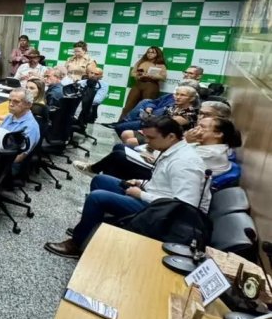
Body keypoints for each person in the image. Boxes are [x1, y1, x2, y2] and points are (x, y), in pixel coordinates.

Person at [45, 116, 211, 259]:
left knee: (97, 197)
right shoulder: (170, 149)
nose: (147, 142)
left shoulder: (185, 163)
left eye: (151, 138)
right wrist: (140, 183)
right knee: (101, 180)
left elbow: (185, 205)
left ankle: (77, 245)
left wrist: (141, 195)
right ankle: (89, 230)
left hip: (164, 214)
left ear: (170, 136)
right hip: (156, 199)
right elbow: (162, 183)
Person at [118, 85, 199, 145]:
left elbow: (165, 125)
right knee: (126, 133)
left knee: (130, 141)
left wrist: (148, 132)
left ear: (191, 98)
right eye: (176, 94)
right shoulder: (173, 106)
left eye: (182, 95)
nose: (178, 97)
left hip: (170, 139)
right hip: (159, 132)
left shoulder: (190, 113)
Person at [119, 46, 167, 120]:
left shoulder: (160, 65)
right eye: (148, 52)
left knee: (146, 106)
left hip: (151, 85)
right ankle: (120, 122)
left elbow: (163, 78)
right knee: (128, 105)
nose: (150, 54)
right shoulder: (141, 62)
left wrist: (153, 75)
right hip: (139, 84)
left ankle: (141, 125)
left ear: (157, 54)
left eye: (152, 52)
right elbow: (133, 73)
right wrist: (139, 75)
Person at [0, 88, 40, 173]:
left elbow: (18, 157)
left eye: (16, 101)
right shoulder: (10, 116)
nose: (10, 104)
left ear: (28, 105)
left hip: (8, 165)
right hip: (0, 152)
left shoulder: (31, 127)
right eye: (9, 100)